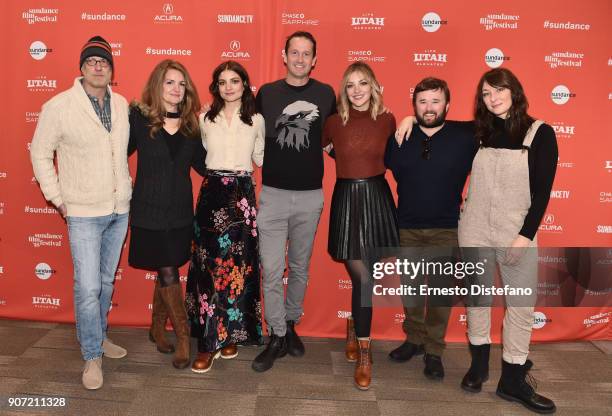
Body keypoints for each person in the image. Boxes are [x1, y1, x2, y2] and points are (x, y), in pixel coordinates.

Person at [30, 36, 131, 390]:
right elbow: (40, 153)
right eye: (91, 61)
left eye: (104, 61)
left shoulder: (121, 105)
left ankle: (99, 336)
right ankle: (91, 355)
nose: (98, 66)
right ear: (81, 67)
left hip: (119, 210)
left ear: (111, 69)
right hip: (83, 213)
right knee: (88, 287)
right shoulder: (58, 106)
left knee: (105, 283)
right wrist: (57, 198)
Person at [458, 68, 557, 413]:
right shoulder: (478, 133)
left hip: (516, 233)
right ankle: (479, 366)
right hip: (474, 230)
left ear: (514, 91)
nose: (493, 98)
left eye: (499, 90)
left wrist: (524, 237)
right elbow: (436, 129)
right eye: (486, 94)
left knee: (521, 308)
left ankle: (512, 380)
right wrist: (411, 118)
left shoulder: (541, 133)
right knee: (477, 300)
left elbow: (542, 193)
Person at [251, 31, 336, 372]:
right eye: (294, 53)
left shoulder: (327, 94)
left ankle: (291, 324)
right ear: (283, 56)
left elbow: (344, 131)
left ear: (314, 59)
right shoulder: (266, 94)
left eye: (307, 54)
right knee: (271, 269)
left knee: (299, 267)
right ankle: (277, 334)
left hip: (310, 197)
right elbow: (242, 125)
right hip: (272, 195)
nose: (300, 59)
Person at [385, 78, 476, 381]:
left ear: (447, 105)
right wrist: (406, 120)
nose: (429, 108)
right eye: (422, 102)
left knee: (438, 295)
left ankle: (434, 351)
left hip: (446, 228)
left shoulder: (466, 135)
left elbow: (500, 125)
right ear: (415, 105)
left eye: (435, 101)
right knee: (411, 290)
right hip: (407, 226)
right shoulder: (400, 137)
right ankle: (413, 340)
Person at [186, 60, 265, 373]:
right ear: (216, 87)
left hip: (242, 196)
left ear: (245, 84)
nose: (229, 86)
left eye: (235, 80)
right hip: (212, 194)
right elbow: (202, 155)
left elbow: (259, 156)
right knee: (209, 268)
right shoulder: (205, 118)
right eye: (222, 82)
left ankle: (230, 333)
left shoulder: (257, 120)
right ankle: (207, 343)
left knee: (237, 269)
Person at [322, 62, 398, 390]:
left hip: (377, 198)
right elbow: (330, 150)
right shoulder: (333, 122)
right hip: (347, 198)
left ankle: (355, 331)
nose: (356, 90)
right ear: (344, 90)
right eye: (350, 85)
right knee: (363, 278)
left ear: (374, 86)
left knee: (365, 277)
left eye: (362, 83)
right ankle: (365, 351)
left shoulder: (388, 120)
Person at [127, 59, 206, 369]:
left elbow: (203, 165)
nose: (176, 89)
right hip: (149, 211)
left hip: (180, 214)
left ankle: (157, 327)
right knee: (169, 270)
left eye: (181, 83)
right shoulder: (138, 120)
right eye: (170, 82)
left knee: (166, 269)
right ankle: (183, 336)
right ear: (157, 86)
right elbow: (115, 152)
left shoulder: (191, 126)